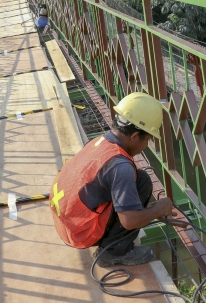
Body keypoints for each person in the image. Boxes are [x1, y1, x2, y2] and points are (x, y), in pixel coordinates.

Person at [49, 92, 177, 268]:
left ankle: (112, 243)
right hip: (78, 232)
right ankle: (113, 252)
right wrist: (158, 209)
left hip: (66, 220)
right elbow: (129, 221)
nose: (146, 145)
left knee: (142, 180)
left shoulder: (101, 141)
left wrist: (151, 211)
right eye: (147, 139)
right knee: (142, 185)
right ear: (133, 136)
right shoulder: (120, 166)